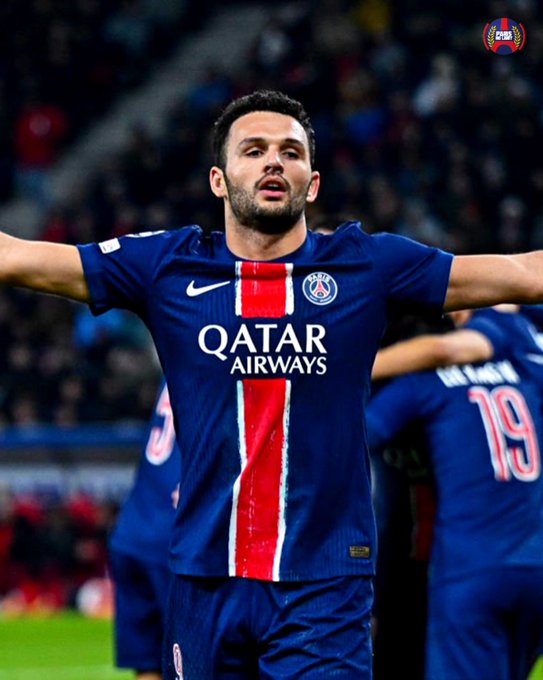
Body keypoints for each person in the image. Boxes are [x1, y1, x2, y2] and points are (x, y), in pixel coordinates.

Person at [3, 89, 543, 678]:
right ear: (218, 180)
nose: (273, 162)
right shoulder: (165, 265)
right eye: (254, 150)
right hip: (204, 578)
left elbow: (521, 272)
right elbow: (23, 259)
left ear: (312, 183)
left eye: (290, 152)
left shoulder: (368, 265)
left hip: (325, 587)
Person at [367, 306, 543, 680]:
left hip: (470, 568)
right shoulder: (527, 365)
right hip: (535, 564)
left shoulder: (424, 380)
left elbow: (356, 438)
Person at [108, 379, 179, 680]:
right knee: (197, 664)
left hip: (133, 530)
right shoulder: (226, 367)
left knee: (149, 664)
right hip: (176, 538)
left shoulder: (179, 364)